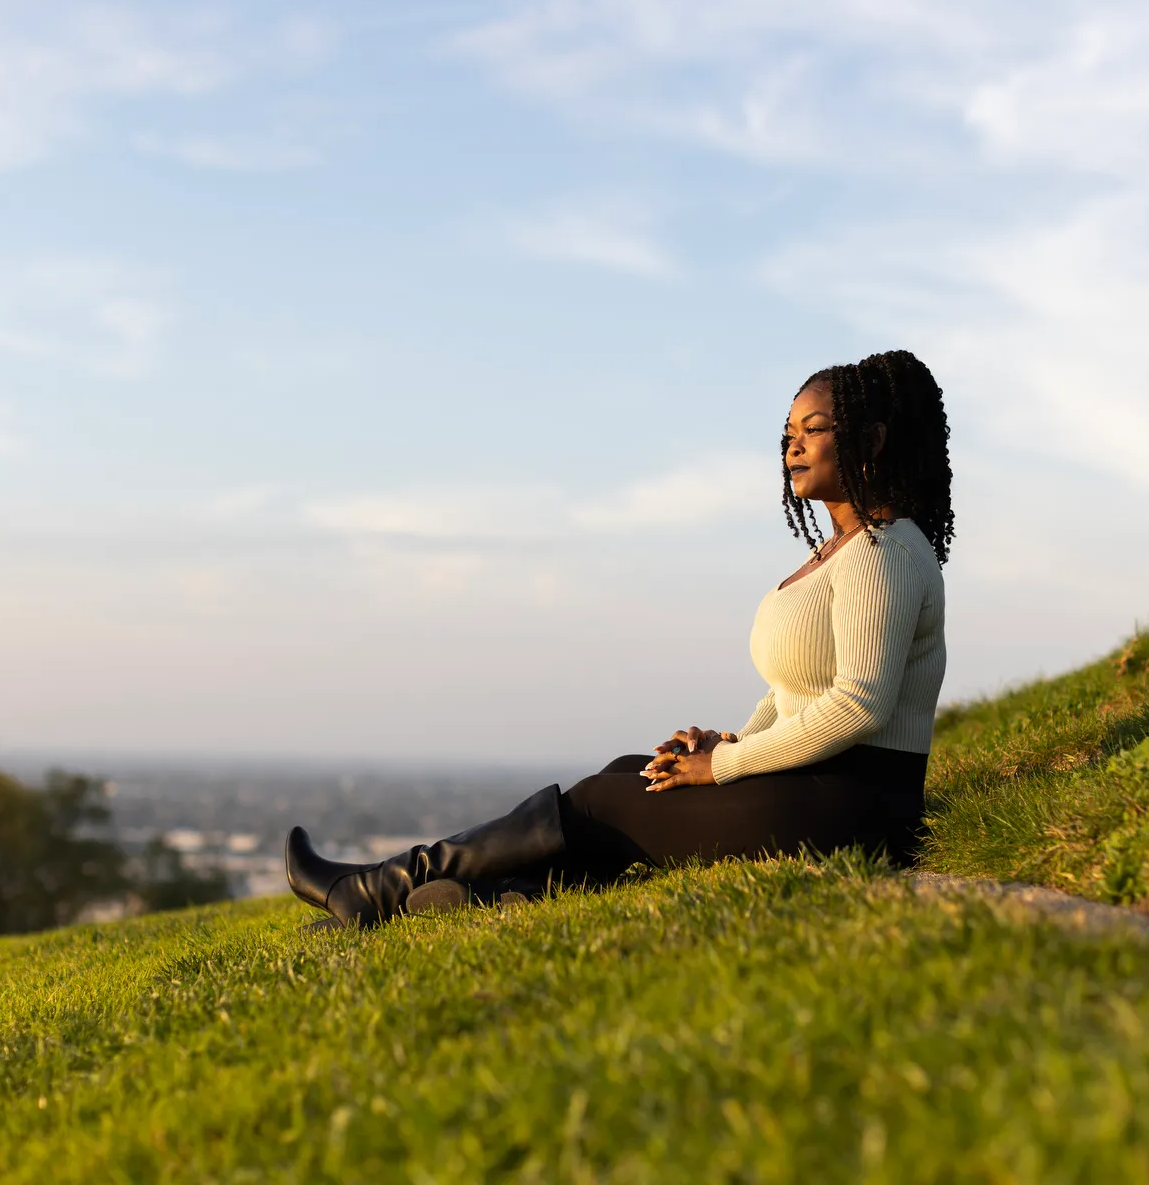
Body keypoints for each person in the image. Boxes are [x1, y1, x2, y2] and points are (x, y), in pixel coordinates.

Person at [286, 349, 953, 928]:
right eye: (787, 434)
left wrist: (719, 768)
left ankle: (378, 886)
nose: (793, 448)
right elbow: (792, 694)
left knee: (604, 801)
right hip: (818, 788)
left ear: (870, 441)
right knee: (629, 773)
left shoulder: (883, 550)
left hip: (858, 809)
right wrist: (730, 743)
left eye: (814, 430)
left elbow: (858, 705)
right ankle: (486, 897)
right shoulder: (838, 552)